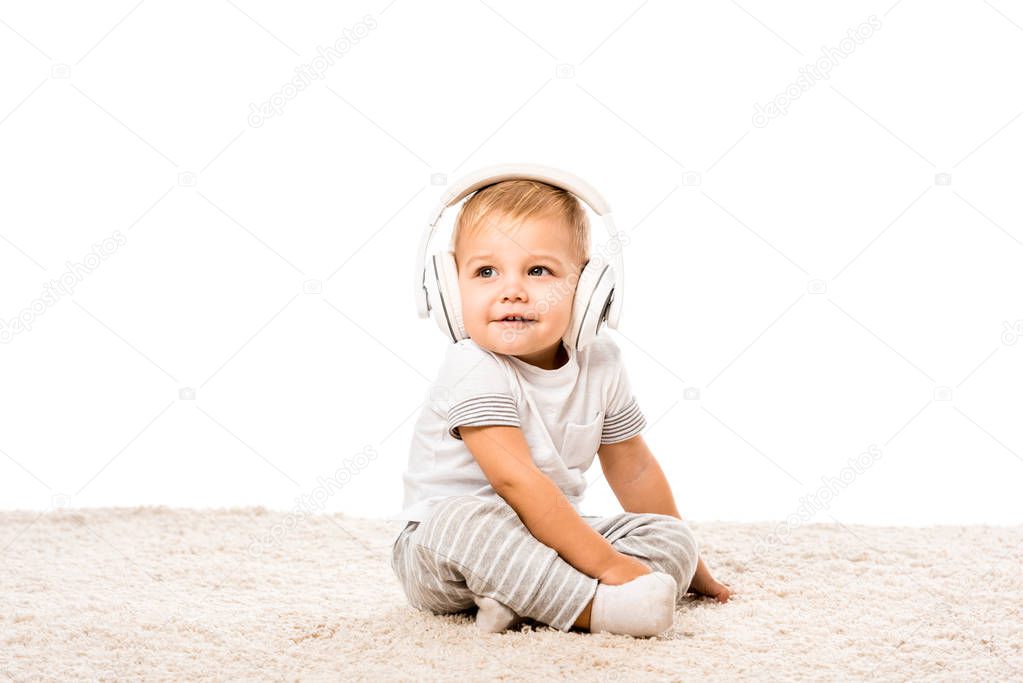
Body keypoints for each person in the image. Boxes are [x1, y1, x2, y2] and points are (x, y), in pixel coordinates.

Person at [390, 177, 731, 636]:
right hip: (443, 552)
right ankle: (597, 608)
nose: (512, 290)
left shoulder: (602, 361)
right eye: (486, 272)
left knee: (668, 538)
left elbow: (634, 470)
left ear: (589, 289)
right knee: (458, 520)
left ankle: (527, 597)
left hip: (547, 535)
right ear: (451, 291)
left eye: (538, 272)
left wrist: (693, 564)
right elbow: (515, 479)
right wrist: (608, 565)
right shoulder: (472, 365)